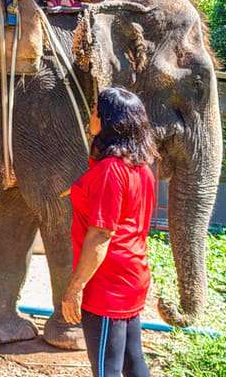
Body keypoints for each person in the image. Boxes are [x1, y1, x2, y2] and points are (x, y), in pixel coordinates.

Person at [63, 87, 157, 377]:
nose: (90, 115)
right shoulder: (141, 168)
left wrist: (73, 289)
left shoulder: (111, 171)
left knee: (107, 370)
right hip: (132, 276)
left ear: (106, 121)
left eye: (94, 110)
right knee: (133, 360)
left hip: (107, 285)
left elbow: (101, 235)